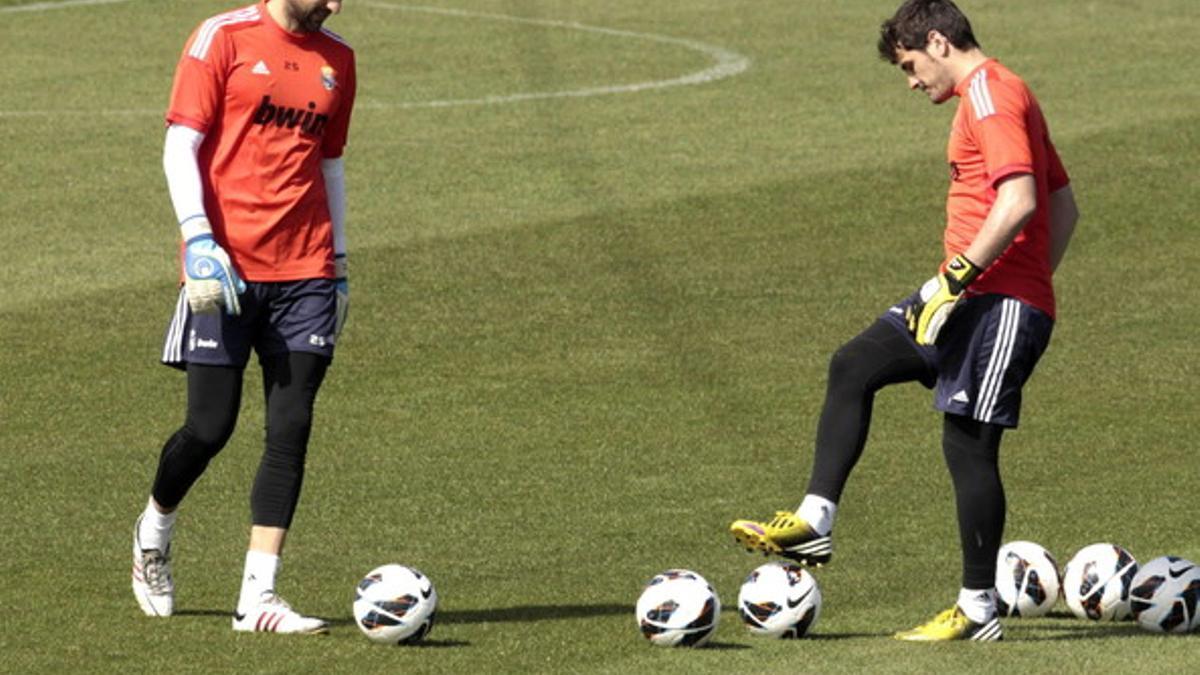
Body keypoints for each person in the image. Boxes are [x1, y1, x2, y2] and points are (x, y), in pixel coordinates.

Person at [729, 0, 1078, 642]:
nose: (913, 82)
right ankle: (815, 521)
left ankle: (977, 611)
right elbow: (1064, 203)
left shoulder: (991, 97)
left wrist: (995, 287)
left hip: (987, 298)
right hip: (967, 296)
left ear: (939, 42)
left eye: (911, 66)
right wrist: (985, 283)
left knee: (967, 442)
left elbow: (1024, 199)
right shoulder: (1002, 91)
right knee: (854, 364)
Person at [130, 0, 356, 635]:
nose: (334, 6)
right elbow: (182, 142)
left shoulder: (339, 59)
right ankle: (154, 529)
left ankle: (257, 596)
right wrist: (198, 239)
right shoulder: (220, 38)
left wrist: (336, 261)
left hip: (305, 270)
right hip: (224, 268)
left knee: (291, 424)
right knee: (208, 427)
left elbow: (329, 163)